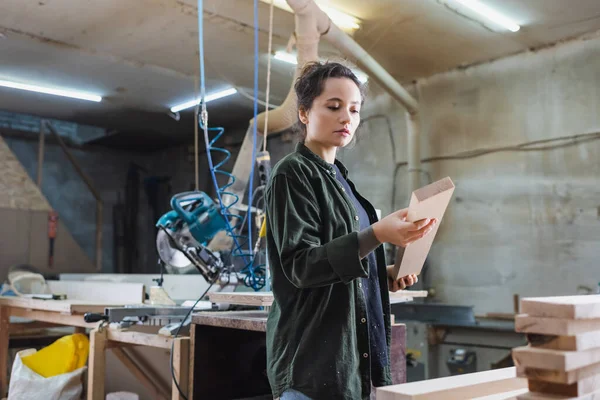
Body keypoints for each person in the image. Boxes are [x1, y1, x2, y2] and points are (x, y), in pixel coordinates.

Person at [264, 61, 437, 400]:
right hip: (311, 362)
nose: (347, 118)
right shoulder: (292, 173)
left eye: (355, 110)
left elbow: (342, 263)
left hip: (346, 366)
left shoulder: (341, 181)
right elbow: (301, 265)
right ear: (303, 113)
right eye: (334, 106)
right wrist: (377, 235)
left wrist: (382, 275)